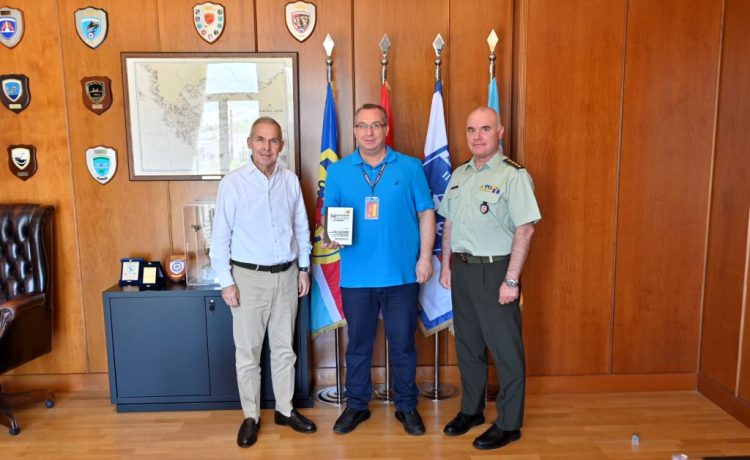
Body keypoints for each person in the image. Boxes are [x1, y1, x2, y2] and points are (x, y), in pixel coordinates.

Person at [322, 103, 436, 436]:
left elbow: (426, 214)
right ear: (354, 130)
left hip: (402, 275)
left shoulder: (411, 167)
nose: (368, 132)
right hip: (356, 277)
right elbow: (329, 220)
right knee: (358, 345)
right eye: (362, 125)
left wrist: (425, 258)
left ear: (386, 128)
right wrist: (330, 237)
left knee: (403, 344)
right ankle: (356, 405)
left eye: (375, 125)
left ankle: (406, 406)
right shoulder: (338, 171)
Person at [438, 107, 541, 450]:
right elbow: (450, 222)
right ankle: (472, 410)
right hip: (463, 269)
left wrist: (511, 280)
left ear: (500, 132)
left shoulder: (513, 175)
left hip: (496, 269)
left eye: (485, 129)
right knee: (467, 346)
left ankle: (509, 424)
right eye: (471, 130)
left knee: (505, 349)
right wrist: (446, 265)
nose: (477, 136)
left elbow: (525, 229)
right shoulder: (460, 174)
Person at [210, 117, 316, 448]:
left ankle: (285, 409)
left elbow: (301, 227)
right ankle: (251, 416)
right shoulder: (233, 183)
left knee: (285, 349)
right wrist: (226, 282)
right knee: (248, 352)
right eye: (260, 139)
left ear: (281, 145)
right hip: (247, 279)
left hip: (287, 275)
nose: (266, 147)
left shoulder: (290, 180)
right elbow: (220, 237)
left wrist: (303, 268)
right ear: (249, 142)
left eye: (273, 141)